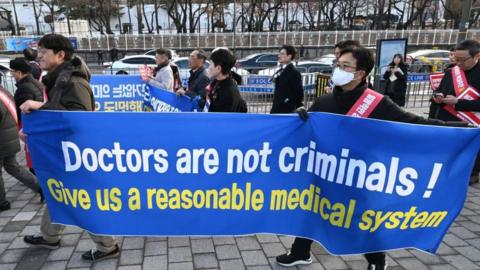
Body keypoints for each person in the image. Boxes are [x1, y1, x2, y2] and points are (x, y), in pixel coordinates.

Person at [276, 46, 467, 270]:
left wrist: (463, 129)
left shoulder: (377, 103)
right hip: (326, 171)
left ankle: (377, 261)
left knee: (363, 219)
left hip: (359, 175)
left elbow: (415, 124)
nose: (339, 70)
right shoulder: (324, 102)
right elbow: (307, 131)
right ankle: (300, 252)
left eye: (345, 66)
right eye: (338, 65)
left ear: (360, 74)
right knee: (312, 209)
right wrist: (299, 117)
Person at [19, 34, 119, 262]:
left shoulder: (74, 81)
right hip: (62, 152)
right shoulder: (58, 79)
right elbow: (60, 111)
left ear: (60, 55)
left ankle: (107, 246)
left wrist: (40, 108)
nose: (39, 56)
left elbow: (80, 119)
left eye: (44, 52)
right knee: (59, 193)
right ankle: (50, 235)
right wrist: (36, 128)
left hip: (74, 155)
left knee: (77, 200)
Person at [429, 39, 480, 185]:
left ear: (477, 56)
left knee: (469, 155)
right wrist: (437, 97)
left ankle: (472, 173)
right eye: (456, 59)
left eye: (462, 60)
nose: (458, 63)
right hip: (447, 120)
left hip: (471, 124)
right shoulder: (452, 71)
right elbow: (439, 90)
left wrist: (458, 102)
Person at [0, 87, 42, 211]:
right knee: (13, 166)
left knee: (11, 167)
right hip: (9, 137)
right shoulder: (3, 92)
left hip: (3, 139)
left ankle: (2, 202)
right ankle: (40, 188)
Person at [10, 57, 44, 174]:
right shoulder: (35, 82)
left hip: (29, 129)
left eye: (12, 71)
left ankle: (40, 187)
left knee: (33, 162)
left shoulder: (24, 88)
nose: (11, 74)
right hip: (37, 127)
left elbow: (24, 112)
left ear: (19, 72)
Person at [205, 47, 247, 113]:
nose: (208, 68)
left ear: (218, 68)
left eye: (210, 64)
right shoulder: (217, 82)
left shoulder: (228, 92)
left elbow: (220, 120)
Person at [270, 45, 303, 114]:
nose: (279, 56)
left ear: (289, 56)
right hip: (277, 107)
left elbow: (299, 94)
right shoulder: (281, 70)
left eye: (282, 54)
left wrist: (287, 101)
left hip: (285, 110)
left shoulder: (294, 73)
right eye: (279, 54)